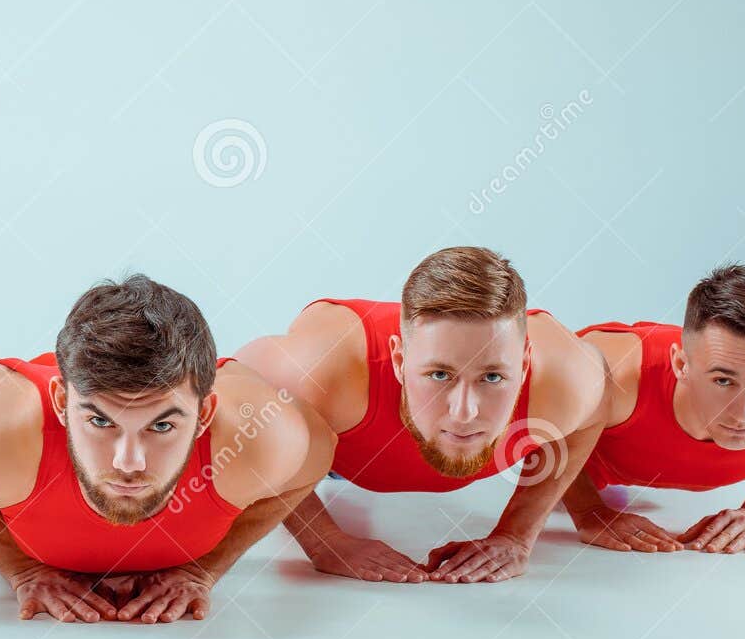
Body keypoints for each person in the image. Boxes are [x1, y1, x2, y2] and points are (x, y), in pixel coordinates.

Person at [0, 274, 337, 622]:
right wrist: (18, 569)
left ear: (204, 416)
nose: (128, 462)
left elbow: (318, 451)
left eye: (161, 426)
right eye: (100, 421)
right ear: (62, 404)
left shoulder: (257, 439)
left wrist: (207, 570)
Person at [235, 247, 607, 584]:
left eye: (492, 377)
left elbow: (591, 417)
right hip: (333, 434)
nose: (464, 413)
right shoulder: (324, 375)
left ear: (525, 364)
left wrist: (517, 535)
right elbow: (240, 406)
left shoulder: (566, 379)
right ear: (398, 361)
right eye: (440, 375)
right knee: (298, 438)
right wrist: (324, 541)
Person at [563, 264, 745, 554]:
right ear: (680, 364)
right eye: (723, 380)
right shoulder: (613, 374)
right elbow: (541, 412)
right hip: (581, 455)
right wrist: (587, 509)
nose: (744, 414)